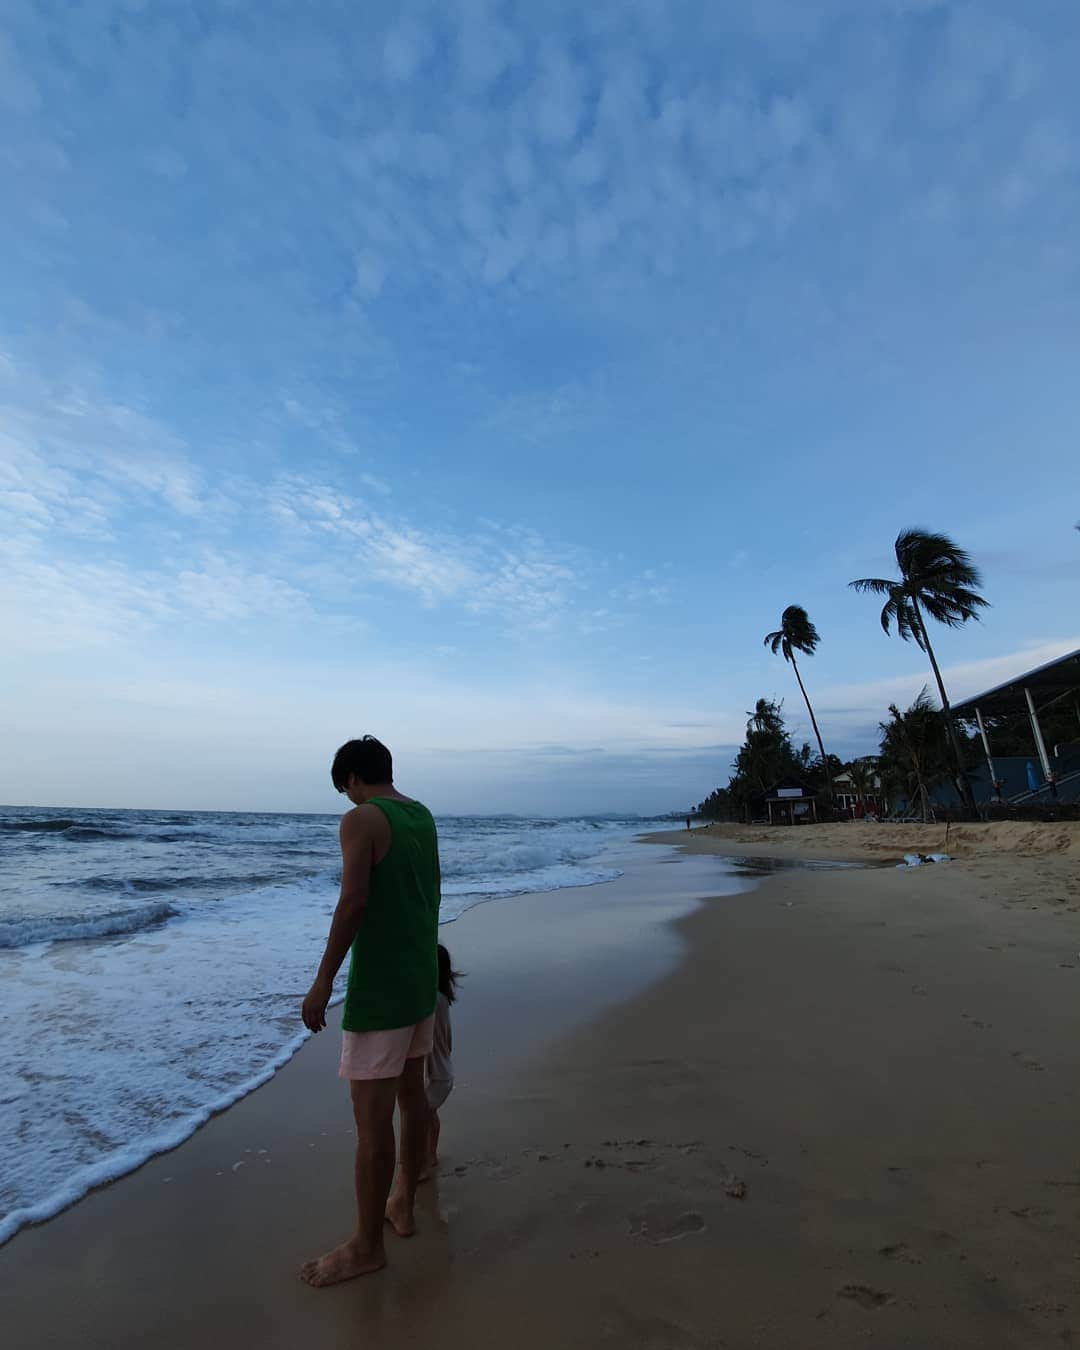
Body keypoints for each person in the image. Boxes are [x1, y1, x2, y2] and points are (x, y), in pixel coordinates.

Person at [299, 736, 441, 1288]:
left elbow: (353, 901)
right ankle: (402, 1198)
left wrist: (322, 981)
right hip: (419, 978)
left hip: (380, 990)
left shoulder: (363, 820)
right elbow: (432, 891)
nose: (348, 799)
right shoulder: (421, 815)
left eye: (346, 789)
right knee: (412, 1096)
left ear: (355, 778)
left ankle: (366, 1247)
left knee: (371, 1121)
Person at [422, 944, 460, 1176]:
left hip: (437, 1075)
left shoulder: (431, 1001)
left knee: (422, 1116)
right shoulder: (442, 999)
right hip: (442, 1071)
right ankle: (430, 1155)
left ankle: (428, 1159)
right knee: (428, 1115)